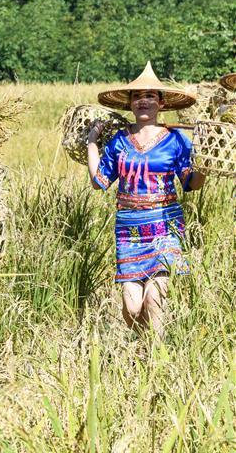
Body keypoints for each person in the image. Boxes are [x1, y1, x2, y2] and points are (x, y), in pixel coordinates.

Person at [88, 61, 205, 336]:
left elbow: (192, 184)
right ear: (129, 104)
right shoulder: (119, 141)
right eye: (137, 97)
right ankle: (141, 347)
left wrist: (204, 158)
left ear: (161, 104)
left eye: (150, 96)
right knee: (131, 307)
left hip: (165, 226)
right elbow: (98, 182)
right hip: (128, 230)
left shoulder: (176, 140)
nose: (143, 101)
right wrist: (92, 142)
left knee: (154, 300)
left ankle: (157, 360)